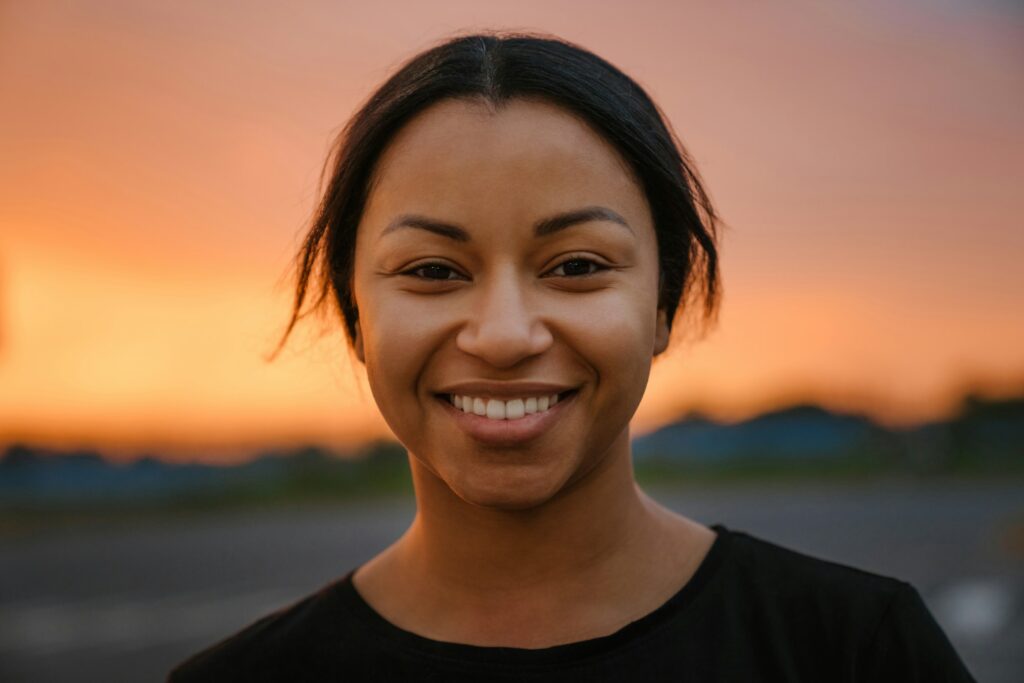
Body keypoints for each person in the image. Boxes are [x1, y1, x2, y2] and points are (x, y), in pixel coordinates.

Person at [168, 31, 975, 682]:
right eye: (433, 271)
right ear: (355, 316)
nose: (506, 334)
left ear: (663, 303)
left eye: (578, 266)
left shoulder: (854, 650)